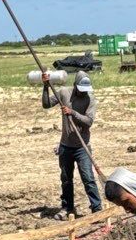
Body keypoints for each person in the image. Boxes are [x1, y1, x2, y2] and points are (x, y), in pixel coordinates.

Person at [44, 72, 102, 219]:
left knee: (88, 178)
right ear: (75, 85)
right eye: (81, 90)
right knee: (66, 179)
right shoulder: (64, 93)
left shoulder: (90, 99)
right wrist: (45, 86)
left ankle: (97, 209)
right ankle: (67, 208)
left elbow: (89, 122)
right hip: (65, 146)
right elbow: (46, 104)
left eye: (85, 90)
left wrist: (73, 113)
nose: (83, 93)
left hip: (83, 146)